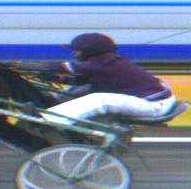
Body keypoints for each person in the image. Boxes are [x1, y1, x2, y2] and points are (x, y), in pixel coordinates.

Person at [40, 33, 176, 125]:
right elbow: (81, 81)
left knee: (100, 99)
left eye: (77, 50)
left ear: (89, 51)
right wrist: (56, 78)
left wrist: (28, 65)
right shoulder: (106, 62)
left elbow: (60, 67)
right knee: (87, 88)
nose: (74, 53)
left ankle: (50, 120)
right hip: (154, 99)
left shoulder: (104, 63)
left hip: (154, 105)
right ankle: (55, 105)